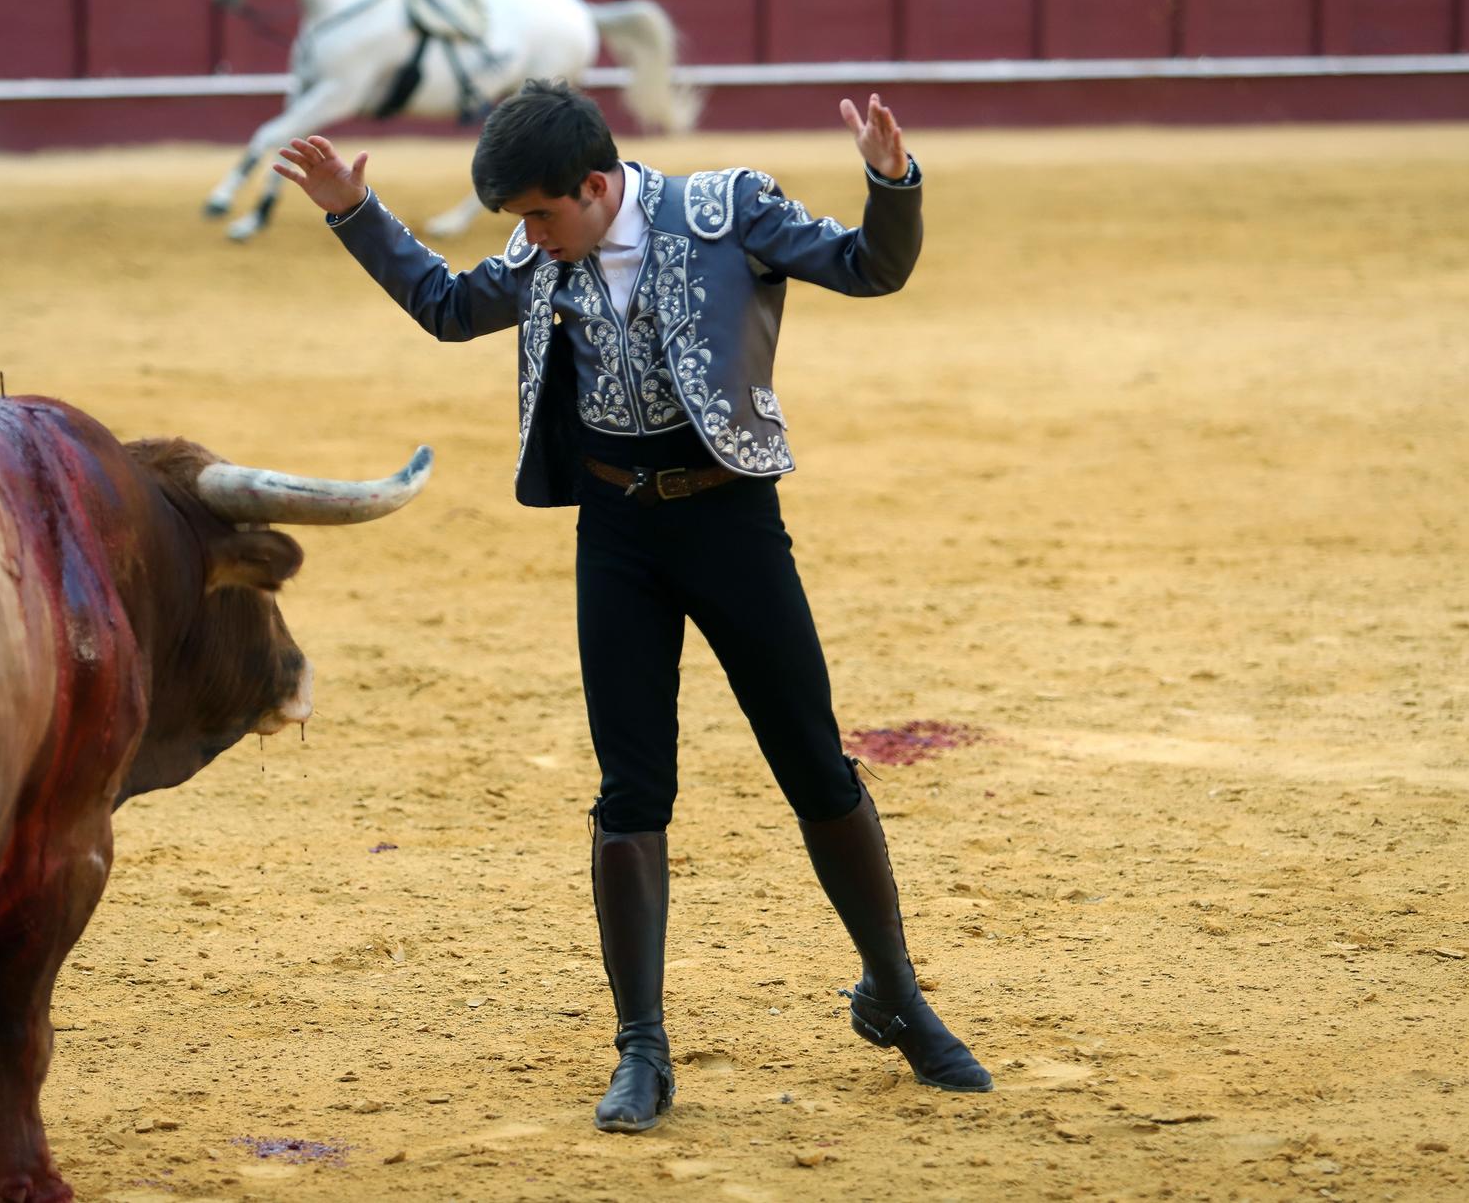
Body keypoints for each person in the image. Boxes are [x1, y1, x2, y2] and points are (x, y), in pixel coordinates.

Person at [271, 80, 993, 1133]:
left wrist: (892, 185)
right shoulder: (539, 257)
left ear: (597, 184)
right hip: (614, 535)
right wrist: (351, 209)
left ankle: (894, 993)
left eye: (539, 214)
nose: (528, 237)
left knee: (810, 760)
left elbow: (869, 267)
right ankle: (641, 1047)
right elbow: (441, 305)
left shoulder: (725, 208)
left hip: (730, 520)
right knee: (630, 787)